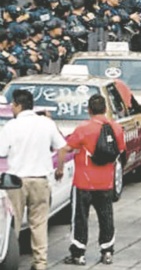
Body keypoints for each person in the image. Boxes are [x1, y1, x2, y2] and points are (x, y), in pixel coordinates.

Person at [54, 95, 126, 265]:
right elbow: (120, 150)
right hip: (106, 182)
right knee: (106, 216)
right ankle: (107, 251)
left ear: (89, 110)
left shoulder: (83, 128)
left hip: (83, 182)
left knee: (80, 217)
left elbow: (65, 149)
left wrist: (60, 169)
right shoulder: (115, 127)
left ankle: (78, 253)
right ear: (105, 109)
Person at [0, 89, 66, 270]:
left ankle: (11, 258)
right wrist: (59, 169)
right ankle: (40, 262)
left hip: (16, 182)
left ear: (19, 105)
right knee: (39, 223)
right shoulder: (46, 123)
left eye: (13, 105)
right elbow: (62, 147)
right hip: (40, 180)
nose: (12, 108)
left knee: (12, 224)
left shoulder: (11, 127)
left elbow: (1, 151)